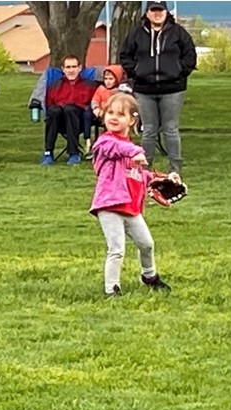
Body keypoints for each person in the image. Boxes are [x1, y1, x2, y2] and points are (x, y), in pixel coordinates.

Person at [89, 93, 173, 297]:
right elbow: (116, 148)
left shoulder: (131, 150)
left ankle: (149, 276)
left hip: (130, 207)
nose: (113, 117)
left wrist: (161, 178)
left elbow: (137, 174)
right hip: (109, 205)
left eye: (120, 114)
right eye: (110, 112)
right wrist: (135, 151)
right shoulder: (105, 143)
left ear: (132, 120)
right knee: (117, 249)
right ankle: (112, 289)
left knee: (146, 244)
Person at [118, 0, 197, 174]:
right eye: (153, 10)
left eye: (160, 10)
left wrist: (178, 71)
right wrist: (137, 71)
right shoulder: (136, 34)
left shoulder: (178, 33)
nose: (157, 13)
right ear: (147, 13)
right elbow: (125, 56)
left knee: (171, 129)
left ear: (166, 12)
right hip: (144, 90)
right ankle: (144, 170)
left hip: (173, 89)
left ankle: (175, 170)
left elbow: (190, 55)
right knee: (149, 130)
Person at [38, 55, 99, 166]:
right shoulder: (54, 85)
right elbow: (49, 106)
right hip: (59, 120)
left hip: (80, 121)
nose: (71, 70)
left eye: (74, 67)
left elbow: (94, 104)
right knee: (54, 111)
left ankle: (73, 153)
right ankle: (48, 152)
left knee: (70, 109)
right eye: (68, 67)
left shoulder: (89, 86)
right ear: (63, 69)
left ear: (80, 68)